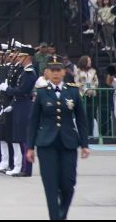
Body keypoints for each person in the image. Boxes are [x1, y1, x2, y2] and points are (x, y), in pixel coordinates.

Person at [27, 59, 90, 221]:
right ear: (46, 73)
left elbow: (82, 120)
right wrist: (30, 147)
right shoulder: (41, 92)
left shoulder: (73, 91)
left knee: (68, 185)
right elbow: (33, 121)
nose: (55, 73)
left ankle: (61, 215)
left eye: (58, 70)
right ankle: (55, 218)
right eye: (52, 70)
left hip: (68, 142)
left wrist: (84, 144)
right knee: (51, 186)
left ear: (64, 72)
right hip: (46, 144)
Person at [73, 56, 99, 138]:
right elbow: (76, 82)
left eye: (90, 61)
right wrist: (85, 90)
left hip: (92, 96)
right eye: (88, 61)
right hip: (82, 95)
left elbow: (96, 82)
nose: (90, 62)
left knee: (91, 115)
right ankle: (83, 134)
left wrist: (92, 89)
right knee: (83, 115)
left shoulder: (93, 71)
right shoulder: (78, 71)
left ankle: (91, 134)